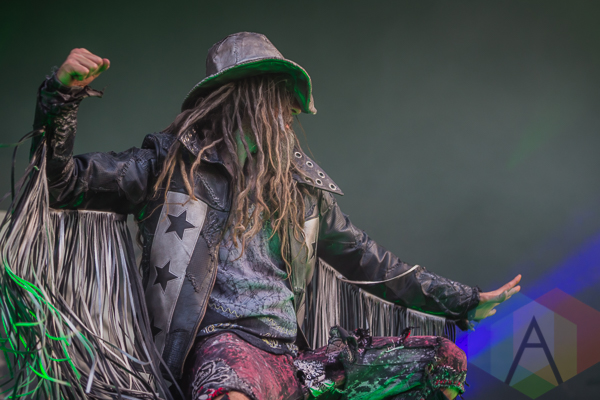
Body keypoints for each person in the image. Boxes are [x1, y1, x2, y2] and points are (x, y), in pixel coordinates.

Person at [33, 32, 521, 400]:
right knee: (231, 391)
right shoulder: (169, 167)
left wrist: (463, 301)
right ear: (246, 101)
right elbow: (62, 183)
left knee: (441, 361)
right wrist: (61, 97)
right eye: (280, 100)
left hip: (293, 364)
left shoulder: (301, 191)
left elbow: (370, 262)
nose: (290, 115)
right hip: (223, 350)